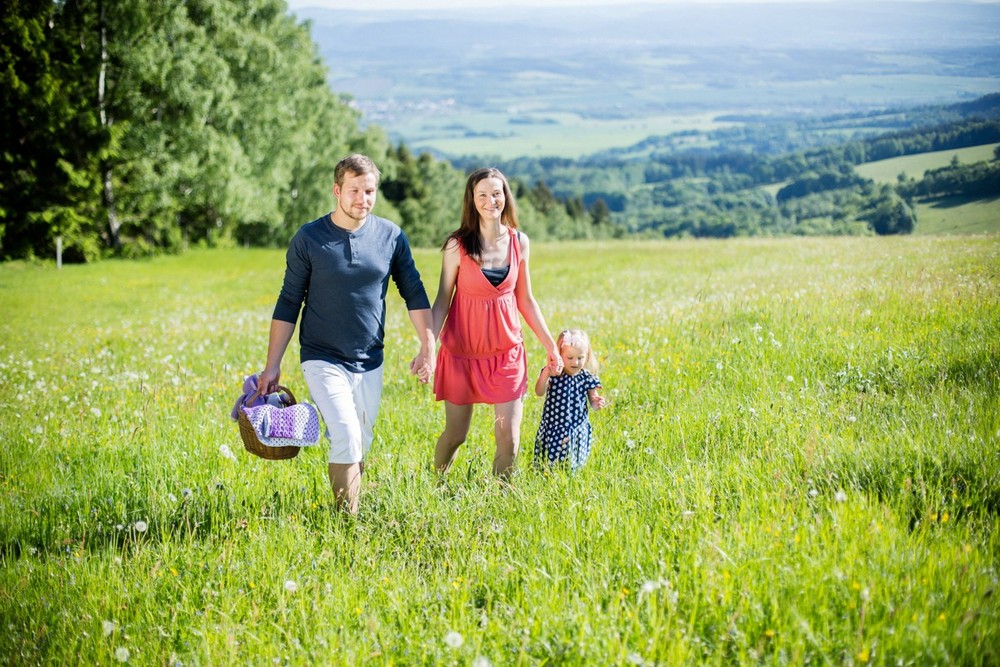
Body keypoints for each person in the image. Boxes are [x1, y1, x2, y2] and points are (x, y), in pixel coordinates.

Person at [257, 154, 434, 514]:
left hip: (371, 358)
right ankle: (346, 524)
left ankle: (350, 507)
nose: (362, 199)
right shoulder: (309, 238)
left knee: (361, 442)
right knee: (347, 435)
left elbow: (413, 291)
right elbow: (289, 301)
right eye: (354, 190)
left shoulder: (391, 236)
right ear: (337, 191)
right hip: (322, 356)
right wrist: (272, 365)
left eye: (369, 191)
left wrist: (428, 346)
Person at [431, 167, 562, 478]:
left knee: (510, 439)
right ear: (472, 200)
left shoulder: (519, 242)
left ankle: (502, 501)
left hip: (506, 355)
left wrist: (550, 347)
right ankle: (435, 483)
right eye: (483, 195)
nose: (491, 200)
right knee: (455, 436)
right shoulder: (456, 245)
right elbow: (441, 301)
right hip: (461, 355)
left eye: (497, 193)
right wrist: (426, 348)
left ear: (506, 197)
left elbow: (526, 300)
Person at [533, 329, 607, 471]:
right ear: (560, 355)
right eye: (570, 357)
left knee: (573, 464)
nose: (575, 362)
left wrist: (597, 403)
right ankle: (548, 478)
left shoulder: (587, 377)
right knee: (550, 464)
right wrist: (546, 373)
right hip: (554, 427)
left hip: (576, 428)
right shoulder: (554, 374)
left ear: (587, 357)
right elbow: (539, 392)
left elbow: (593, 400)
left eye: (580, 357)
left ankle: (569, 480)